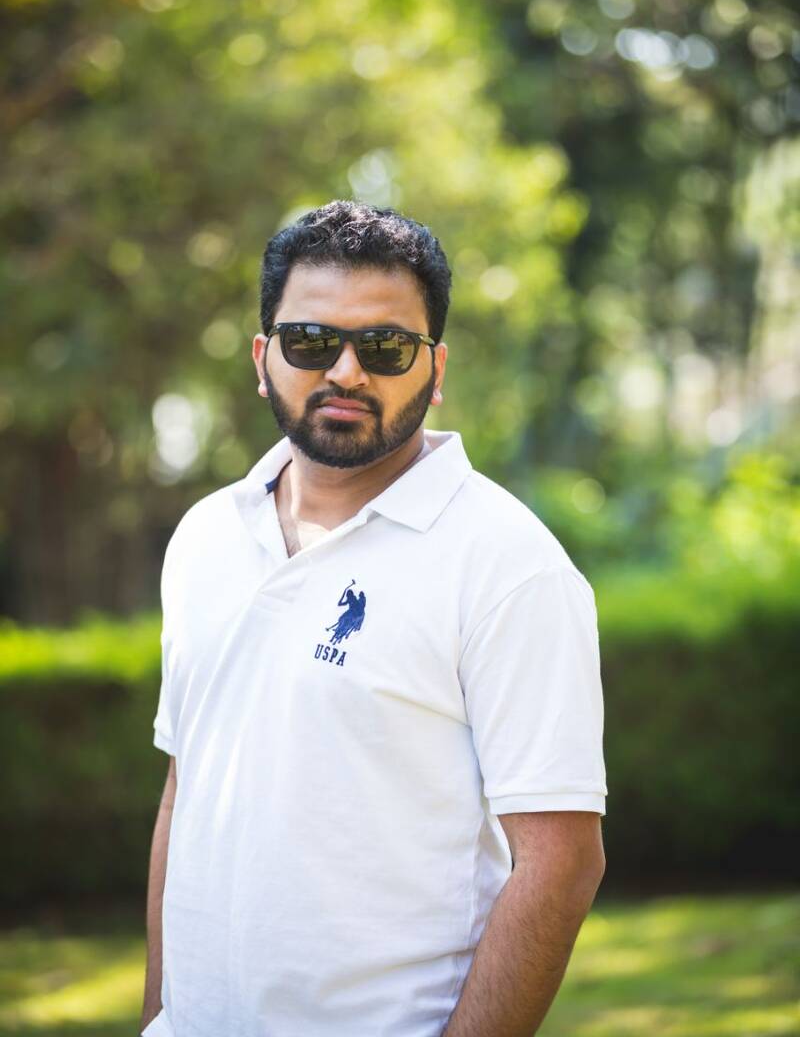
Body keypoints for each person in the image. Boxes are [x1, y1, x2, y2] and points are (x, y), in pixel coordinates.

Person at [140, 199, 607, 1037]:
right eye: (310, 341)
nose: (347, 372)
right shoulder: (206, 535)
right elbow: (185, 794)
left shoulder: (509, 564)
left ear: (435, 368)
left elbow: (562, 860)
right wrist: (158, 1017)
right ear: (263, 359)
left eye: (386, 347)